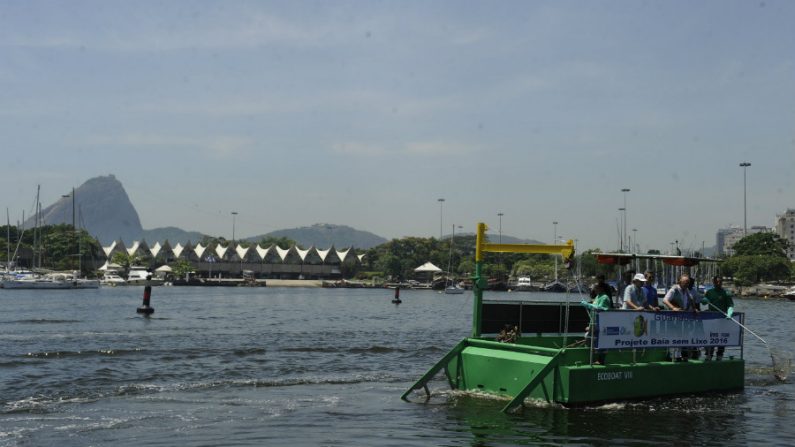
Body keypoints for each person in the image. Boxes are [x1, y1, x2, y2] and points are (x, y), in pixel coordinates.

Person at [663, 273, 698, 361]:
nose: (687, 284)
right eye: (685, 282)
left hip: (683, 319)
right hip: (674, 319)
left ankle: (681, 355)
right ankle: (673, 356)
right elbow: (665, 300)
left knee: (683, 337)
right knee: (674, 337)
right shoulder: (674, 289)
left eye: (688, 282)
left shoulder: (686, 290)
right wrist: (673, 308)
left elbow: (691, 300)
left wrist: (694, 309)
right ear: (680, 282)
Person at [702, 276, 735, 361]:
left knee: (721, 338)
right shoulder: (709, 292)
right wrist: (704, 300)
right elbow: (704, 303)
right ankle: (708, 355)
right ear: (713, 282)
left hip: (722, 319)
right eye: (716, 282)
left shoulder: (726, 293)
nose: (718, 283)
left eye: (720, 282)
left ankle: (719, 355)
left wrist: (729, 313)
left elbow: (730, 305)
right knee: (710, 337)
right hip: (711, 319)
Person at [581, 282, 612, 364]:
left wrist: (588, 305)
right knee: (588, 339)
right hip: (593, 322)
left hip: (600, 322)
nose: (594, 289)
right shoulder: (598, 296)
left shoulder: (605, 297)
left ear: (601, 288)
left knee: (601, 341)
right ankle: (589, 359)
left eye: (596, 288)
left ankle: (600, 360)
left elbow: (602, 308)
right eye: (594, 288)